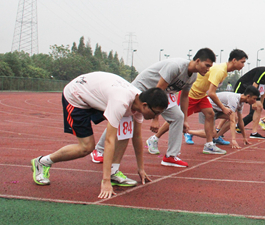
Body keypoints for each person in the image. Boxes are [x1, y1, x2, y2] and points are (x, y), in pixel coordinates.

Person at [31, 72, 168, 199]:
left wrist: (141, 169)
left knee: (125, 133)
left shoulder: (138, 103)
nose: (156, 117)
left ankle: (113, 172)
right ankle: (42, 162)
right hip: (77, 96)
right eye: (156, 113)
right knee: (86, 147)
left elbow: (136, 137)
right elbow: (109, 141)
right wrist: (105, 181)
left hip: (96, 94)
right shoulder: (121, 102)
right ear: (144, 105)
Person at [95, 48, 215, 168]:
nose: (208, 69)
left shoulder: (193, 76)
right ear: (198, 61)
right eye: (207, 65)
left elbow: (184, 97)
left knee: (178, 117)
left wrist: (185, 120)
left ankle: (171, 156)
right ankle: (99, 150)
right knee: (125, 117)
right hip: (143, 89)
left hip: (162, 94)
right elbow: (158, 89)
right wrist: (155, 119)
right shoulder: (176, 67)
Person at [159, 49, 247, 155]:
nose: (243, 65)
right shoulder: (220, 71)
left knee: (210, 114)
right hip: (192, 94)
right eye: (242, 62)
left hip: (201, 95)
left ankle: (209, 145)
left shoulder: (223, 71)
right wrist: (223, 108)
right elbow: (212, 93)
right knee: (177, 118)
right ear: (234, 60)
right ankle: (154, 138)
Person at [192, 85, 260, 148]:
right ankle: (189, 132)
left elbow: (240, 121)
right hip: (207, 109)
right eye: (254, 99)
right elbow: (232, 121)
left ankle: (216, 138)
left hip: (216, 111)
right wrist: (233, 140)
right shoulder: (234, 99)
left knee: (236, 118)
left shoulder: (241, 102)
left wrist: (244, 137)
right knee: (212, 133)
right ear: (248, 96)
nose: (254, 101)